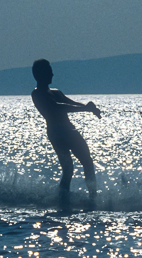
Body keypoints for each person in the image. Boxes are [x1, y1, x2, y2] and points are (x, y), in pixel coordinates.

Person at [31, 59, 101, 206]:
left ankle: (90, 198)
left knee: (83, 164)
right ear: (40, 75)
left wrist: (90, 108)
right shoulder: (37, 94)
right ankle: (67, 199)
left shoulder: (56, 92)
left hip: (63, 132)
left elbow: (72, 104)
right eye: (49, 71)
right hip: (60, 133)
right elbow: (57, 107)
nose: (52, 73)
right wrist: (85, 109)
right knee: (71, 168)